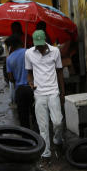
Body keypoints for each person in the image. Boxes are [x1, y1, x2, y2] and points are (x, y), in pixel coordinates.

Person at [25, 29, 65, 159]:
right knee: (43, 126)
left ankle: (58, 140)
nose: (39, 47)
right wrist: (31, 83)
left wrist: (62, 94)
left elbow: (59, 72)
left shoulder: (55, 51)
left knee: (58, 122)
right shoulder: (29, 53)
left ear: (45, 41)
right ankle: (46, 154)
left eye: (41, 44)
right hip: (39, 93)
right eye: (37, 44)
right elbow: (29, 72)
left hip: (53, 91)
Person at [6, 35, 35, 129]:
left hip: (19, 90)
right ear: (19, 43)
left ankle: (26, 140)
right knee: (36, 116)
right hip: (33, 88)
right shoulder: (29, 52)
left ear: (11, 46)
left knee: (23, 119)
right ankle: (39, 139)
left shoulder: (9, 58)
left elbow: (10, 78)